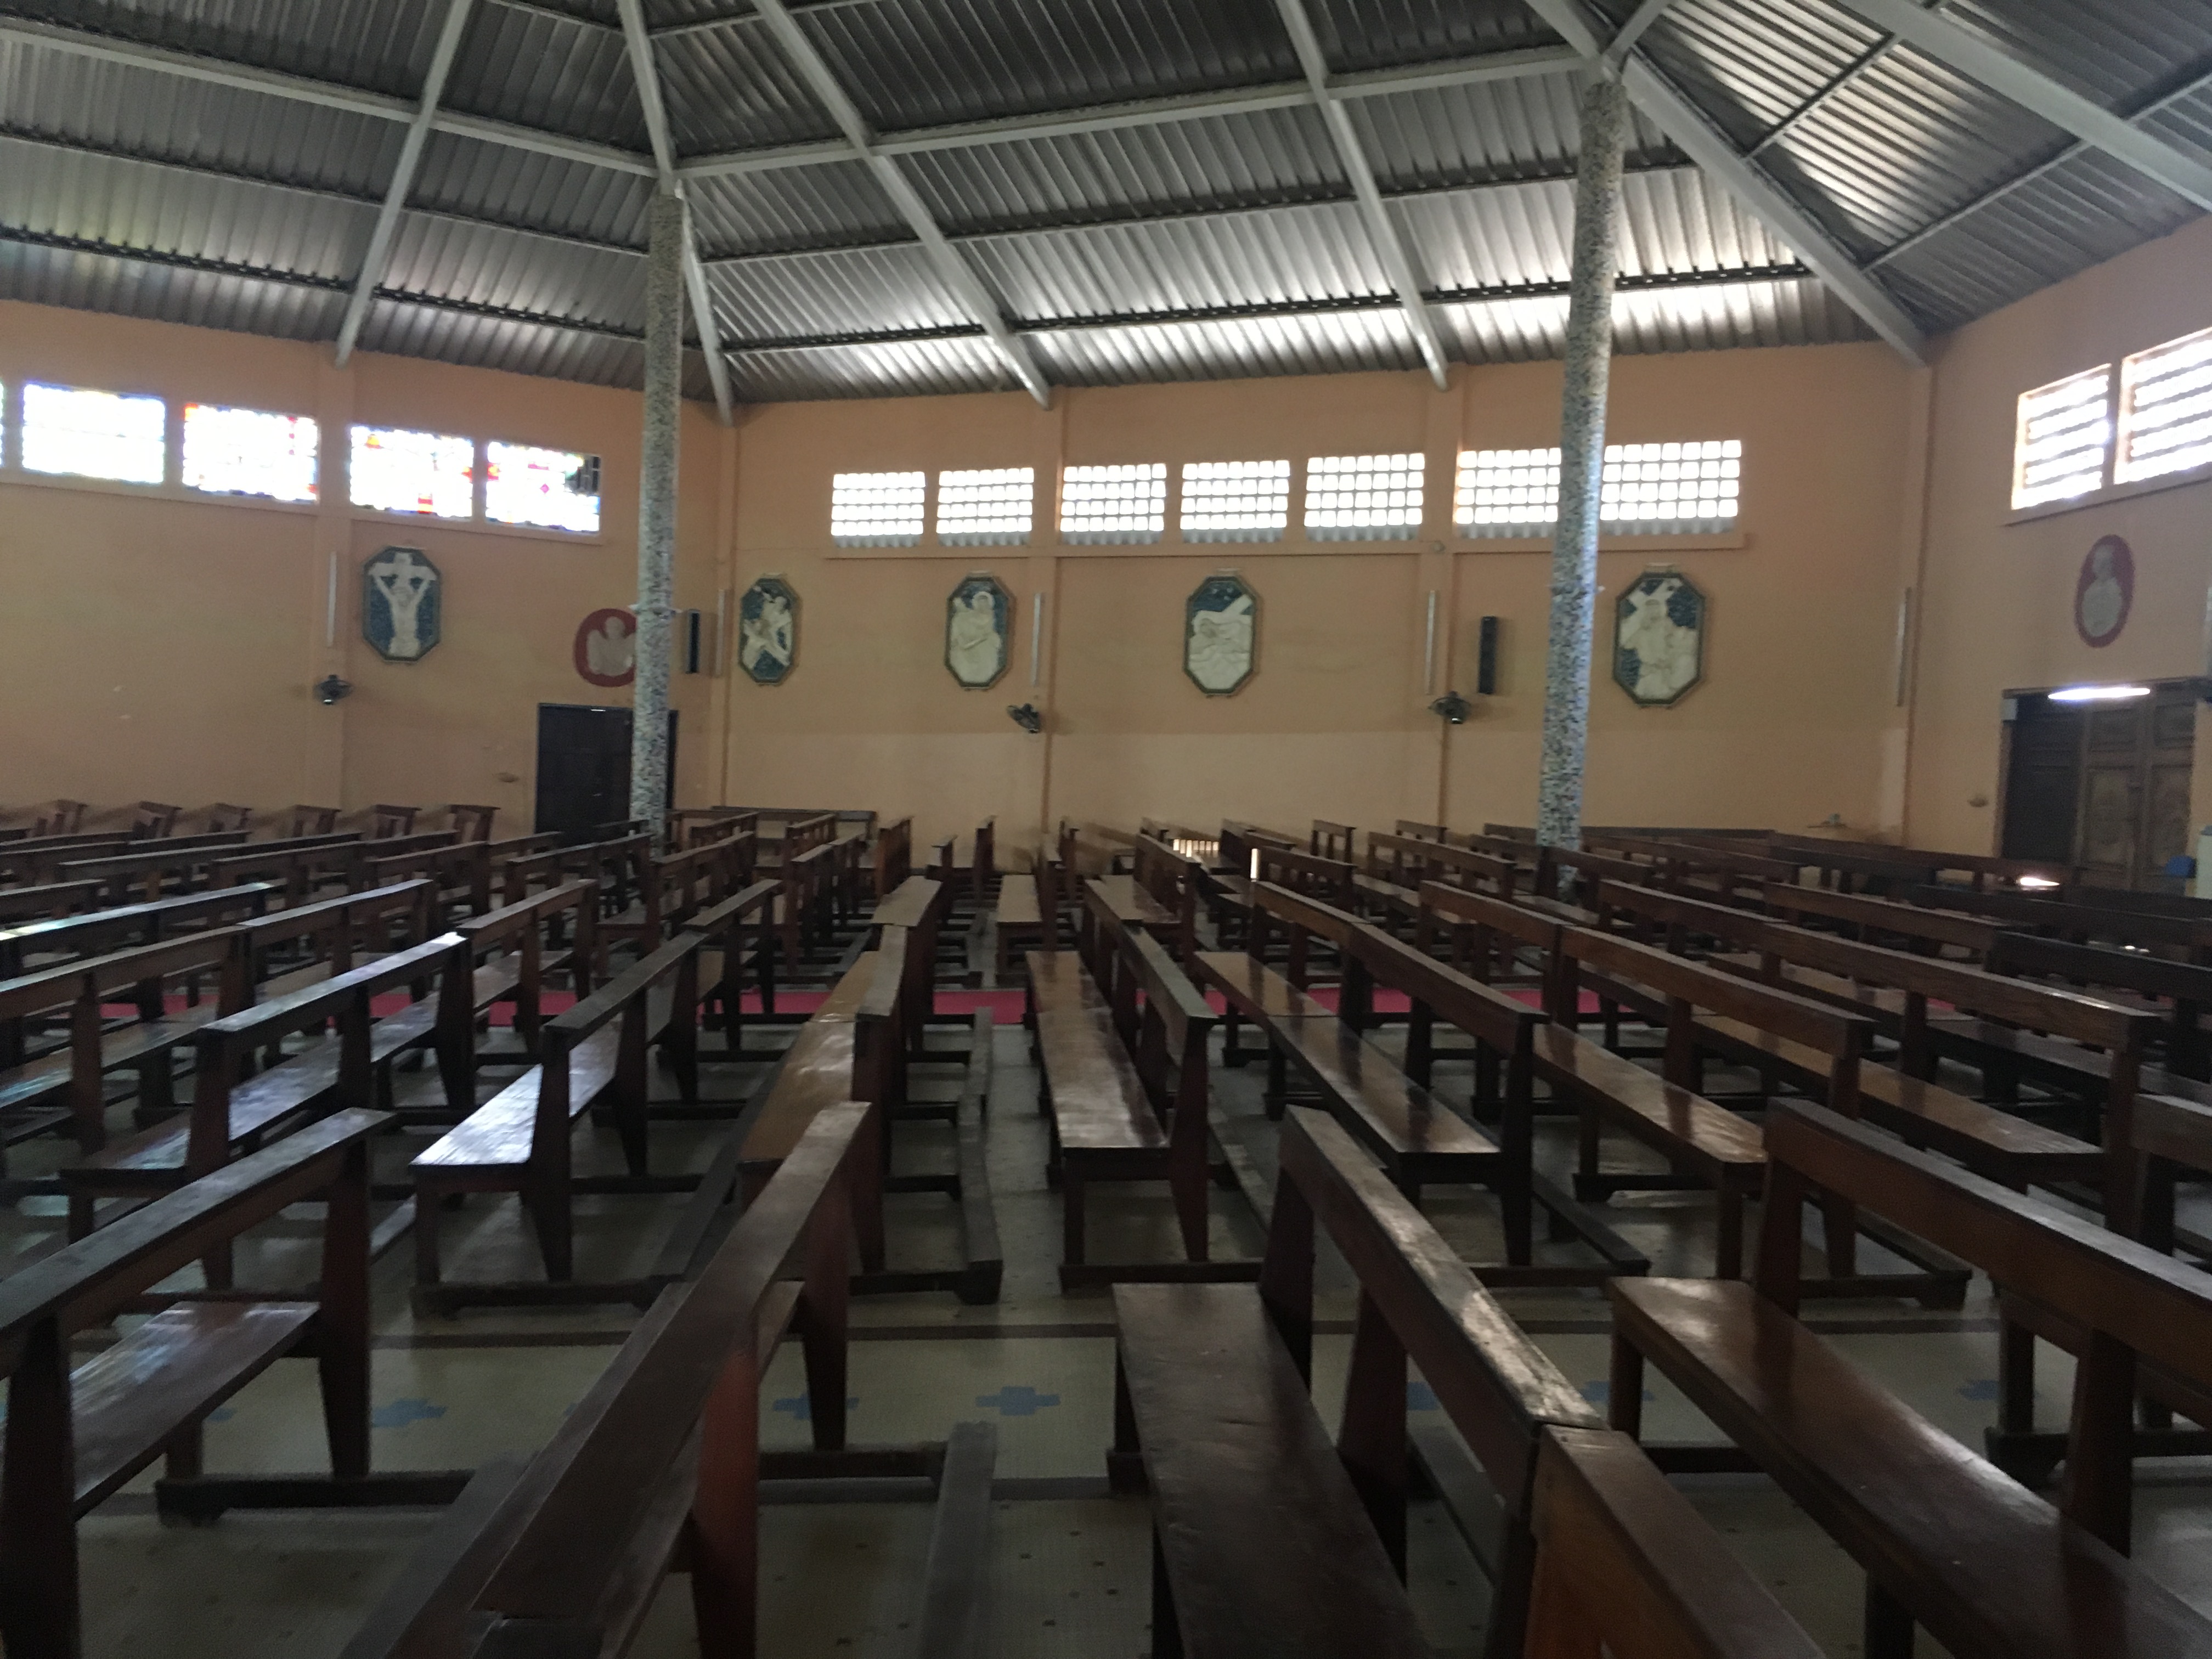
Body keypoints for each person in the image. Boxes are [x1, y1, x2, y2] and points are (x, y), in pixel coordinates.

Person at [368, 549, 435, 659]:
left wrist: (427, 580)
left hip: (410, 643)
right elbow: (386, 592)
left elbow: (420, 593)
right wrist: (376, 578)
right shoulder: (396, 606)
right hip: (397, 643)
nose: (401, 598)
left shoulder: (411, 606)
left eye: (402, 595)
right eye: (399, 595)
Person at [947, 589, 1003, 684]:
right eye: (980, 603)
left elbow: (991, 636)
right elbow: (963, 644)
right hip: (967, 653)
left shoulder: (990, 619)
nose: (983, 606)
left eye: (985, 603)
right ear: (975, 604)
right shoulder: (963, 618)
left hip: (984, 653)